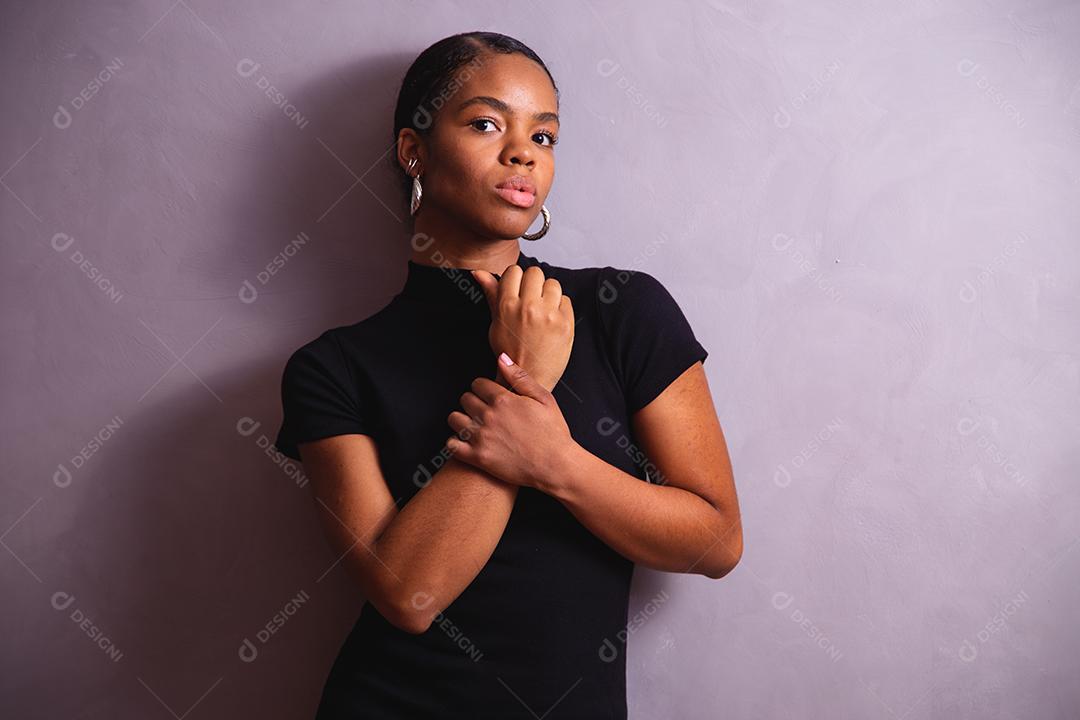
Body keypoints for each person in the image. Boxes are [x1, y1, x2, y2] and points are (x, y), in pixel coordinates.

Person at [274, 30, 742, 720]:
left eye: (544, 136)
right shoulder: (332, 368)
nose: (522, 151)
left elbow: (716, 540)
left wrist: (555, 463)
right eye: (486, 123)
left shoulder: (621, 311)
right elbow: (408, 595)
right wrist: (525, 376)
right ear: (415, 151)